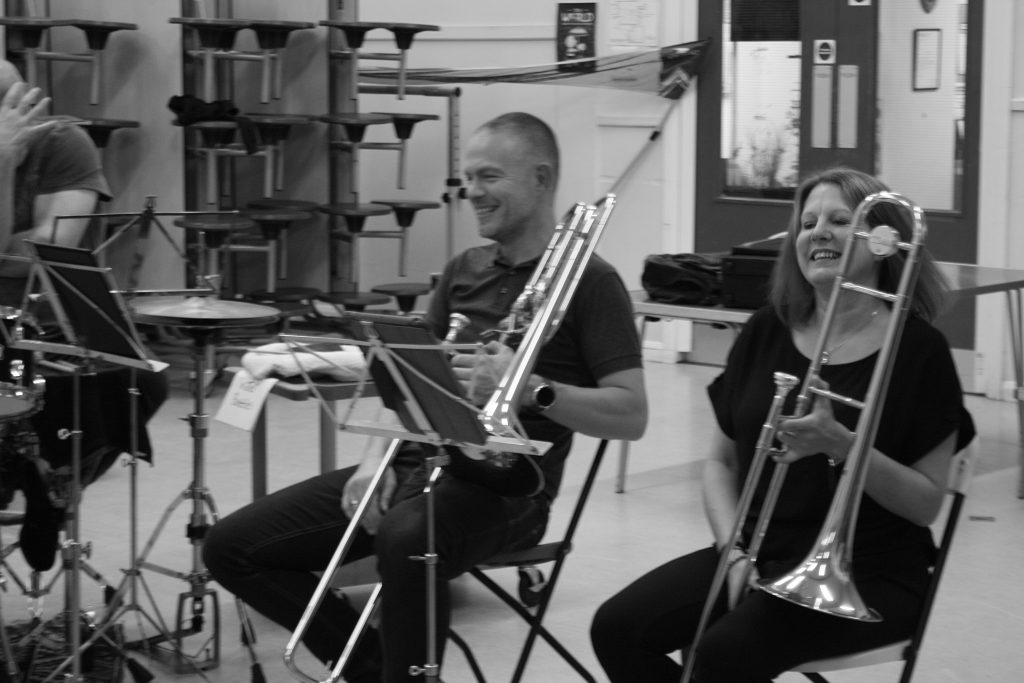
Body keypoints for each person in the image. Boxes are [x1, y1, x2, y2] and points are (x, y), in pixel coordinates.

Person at [203, 112, 648, 682]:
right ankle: (374, 667)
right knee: (230, 547)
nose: (472, 192)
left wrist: (532, 389)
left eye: (489, 176)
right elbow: (403, 380)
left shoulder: (592, 283)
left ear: (540, 179)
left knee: (408, 535)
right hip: (416, 463)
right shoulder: (463, 270)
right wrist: (372, 463)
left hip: (509, 490)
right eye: (469, 178)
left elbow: (631, 414)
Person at [590, 167, 976, 682]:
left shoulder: (921, 351)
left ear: (884, 241)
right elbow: (720, 462)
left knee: (721, 655)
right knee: (617, 628)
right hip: (758, 550)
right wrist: (732, 551)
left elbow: (925, 503)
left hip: (872, 572)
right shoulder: (766, 328)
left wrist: (842, 443)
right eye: (807, 223)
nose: (819, 233)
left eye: (840, 220)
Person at [0, 60, 167, 570]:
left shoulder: (63, 143)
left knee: (139, 383)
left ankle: (55, 481)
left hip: (43, 320)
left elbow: (38, 254)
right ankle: (24, 472)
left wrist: (3, 163)